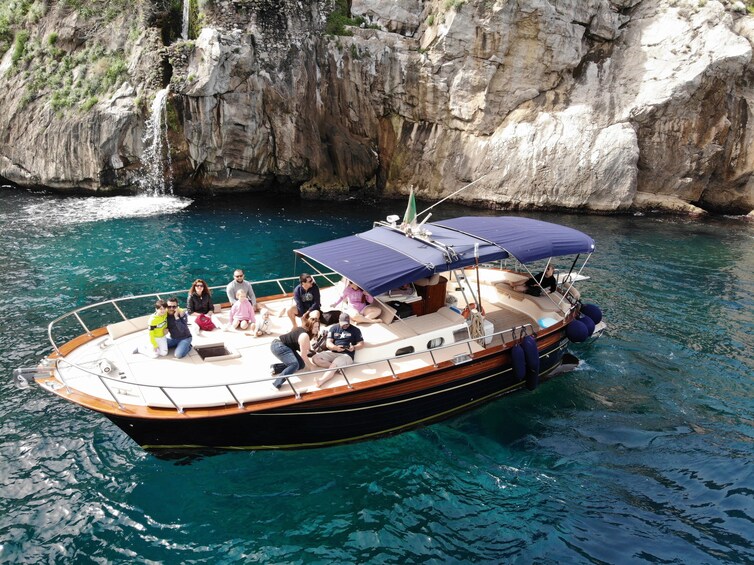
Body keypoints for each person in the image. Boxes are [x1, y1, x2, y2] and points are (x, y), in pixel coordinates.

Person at [311, 312, 364, 387]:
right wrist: (335, 348)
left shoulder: (356, 330)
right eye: (343, 323)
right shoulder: (333, 328)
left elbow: (361, 344)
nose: (345, 325)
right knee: (315, 358)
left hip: (347, 355)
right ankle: (338, 368)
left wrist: (354, 347)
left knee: (334, 364)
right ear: (339, 321)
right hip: (334, 351)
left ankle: (321, 381)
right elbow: (328, 343)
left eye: (347, 323)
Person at [269, 316, 318, 389]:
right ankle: (276, 384)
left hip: (286, 347)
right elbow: (303, 355)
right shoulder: (304, 335)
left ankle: (275, 368)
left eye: (318, 327)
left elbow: (307, 350)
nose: (317, 329)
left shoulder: (305, 332)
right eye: (315, 327)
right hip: (278, 346)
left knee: (301, 365)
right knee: (294, 364)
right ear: (310, 327)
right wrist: (311, 366)